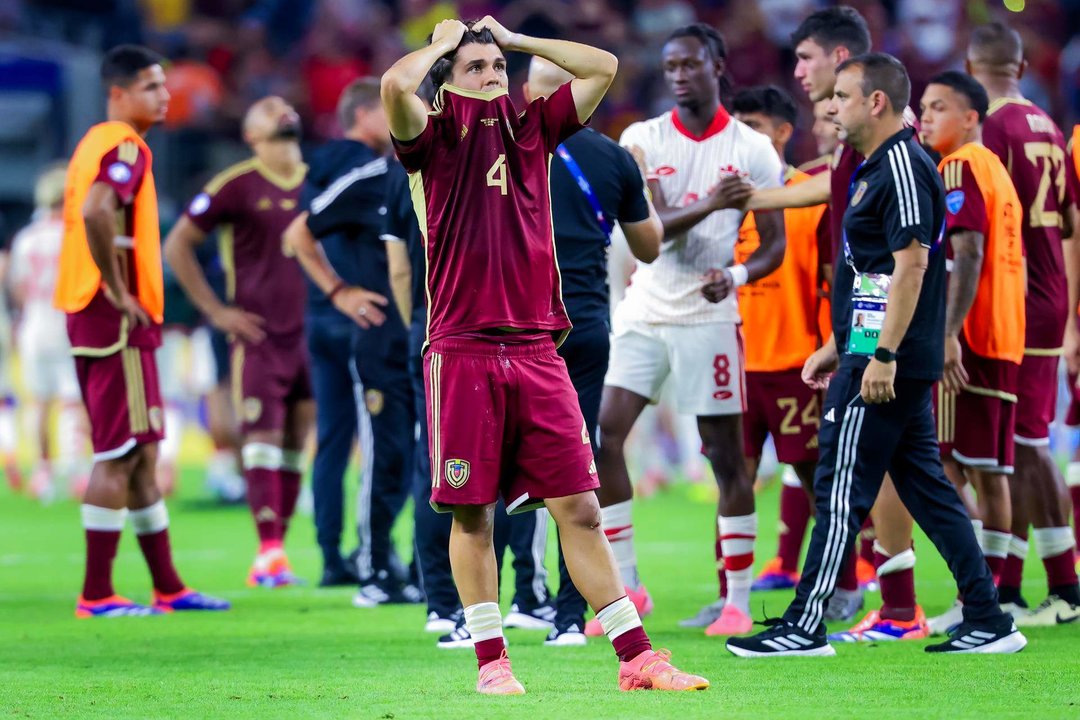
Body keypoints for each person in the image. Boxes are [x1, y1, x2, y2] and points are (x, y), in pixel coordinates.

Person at [382, 16, 708, 694]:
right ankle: (492, 661)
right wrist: (444, 48)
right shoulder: (432, 139)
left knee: (581, 509)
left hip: (537, 348)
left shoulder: (534, 129)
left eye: (497, 66)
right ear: (447, 85)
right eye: (477, 69)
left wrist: (517, 41)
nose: (493, 74)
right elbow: (394, 84)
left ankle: (638, 659)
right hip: (462, 347)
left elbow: (603, 67)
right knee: (475, 515)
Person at [726, 53, 1024, 657]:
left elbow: (915, 264)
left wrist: (882, 354)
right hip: (871, 352)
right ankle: (990, 619)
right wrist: (840, 345)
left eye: (841, 95)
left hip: (888, 362)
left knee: (840, 485)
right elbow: (877, 275)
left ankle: (806, 625)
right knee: (927, 489)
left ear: (876, 102)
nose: (831, 107)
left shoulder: (905, 167)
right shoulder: (872, 167)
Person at [719, 6, 918, 632]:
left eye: (806, 59)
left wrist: (876, 346)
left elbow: (906, 257)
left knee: (861, 464)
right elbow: (817, 192)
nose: (797, 71)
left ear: (841, 61)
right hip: (862, 323)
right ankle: (915, 605)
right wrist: (739, 197)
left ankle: (841, 606)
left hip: (884, 322)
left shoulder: (891, 138)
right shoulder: (850, 144)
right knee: (906, 470)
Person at [596, 22, 786, 639]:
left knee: (726, 458)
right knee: (605, 435)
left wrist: (734, 274)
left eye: (690, 64)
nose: (678, 74)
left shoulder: (754, 149)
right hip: (646, 309)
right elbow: (645, 237)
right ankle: (627, 586)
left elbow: (773, 249)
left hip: (709, 316)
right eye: (671, 65)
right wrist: (711, 203)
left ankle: (735, 599)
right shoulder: (642, 139)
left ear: (717, 65)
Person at [55, 45, 229, 617]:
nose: (164, 95)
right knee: (118, 453)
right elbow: (98, 210)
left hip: (106, 314)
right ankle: (97, 592)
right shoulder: (123, 145)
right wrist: (119, 288)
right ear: (118, 93)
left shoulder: (98, 144)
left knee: (142, 454)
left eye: (164, 85)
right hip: (113, 317)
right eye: (152, 87)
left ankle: (169, 587)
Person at [521, 56, 663, 645]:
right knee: (572, 470)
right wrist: (645, 190)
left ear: (532, 93)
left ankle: (512, 598)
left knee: (502, 467)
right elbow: (649, 248)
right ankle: (565, 616)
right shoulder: (615, 159)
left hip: (518, 326)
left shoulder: (507, 145)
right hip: (584, 326)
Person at [164, 96, 313, 589]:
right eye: (267, 108)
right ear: (251, 136)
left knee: (295, 444)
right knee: (263, 441)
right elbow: (178, 243)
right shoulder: (235, 185)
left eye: (282, 106)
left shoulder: (319, 179)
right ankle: (268, 549)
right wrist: (215, 311)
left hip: (311, 332)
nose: (278, 107)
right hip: (260, 334)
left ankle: (278, 549)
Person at [283, 78, 422, 606]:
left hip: (428, 335)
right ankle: (373, 567)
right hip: (377, 335)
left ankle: (413, 565)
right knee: (381, 451)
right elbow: (298, 232)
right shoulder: (370, 174)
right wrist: (339, 291)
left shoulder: (435, 173)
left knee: (422, 457)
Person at [963, 22, 1080, 626]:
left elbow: (986, 232)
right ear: (1021, 67)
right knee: (1012, 447)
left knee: (1026, 447)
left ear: (970, 67)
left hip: (1018, 299)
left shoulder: (994, 132)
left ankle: (1064, 588)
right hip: (1050, 294)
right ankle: (1004, 588)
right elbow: (1069, 226)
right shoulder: (1049, 126)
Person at [904, 71, 1026, 638]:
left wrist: (949, 332)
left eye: (938, 108)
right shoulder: (996, 169)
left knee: (949, 470)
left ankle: (976, 597)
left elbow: (968, 249)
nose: (925, 118)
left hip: (970, 340)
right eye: (923, 108)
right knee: (991, 472)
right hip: (1005, 333)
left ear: (971, 116)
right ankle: (995, 593)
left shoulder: (958, 166)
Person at [722, 86, 827, 597]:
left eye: (755, 127)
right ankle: (730, 597)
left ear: (784, 132)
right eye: (738, 127)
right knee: (731, 479)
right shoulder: (722, 200)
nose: (744, 139)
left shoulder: (813, 195)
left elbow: (829, 282)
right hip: (732, 364)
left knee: (814, 479)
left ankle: (840, 582)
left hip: (796, 362)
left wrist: (829, 350)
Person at [8, 163, 90, 502]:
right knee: (73, 402)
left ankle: (43, 471)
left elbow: (17, 286)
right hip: (68, 324)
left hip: (34, 324)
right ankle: (76, 470)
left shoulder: (27, 238)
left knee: (39, 402)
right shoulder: (75, 235)